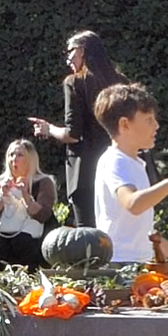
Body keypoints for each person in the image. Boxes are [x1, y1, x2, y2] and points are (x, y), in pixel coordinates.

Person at [93, 82, 168, 263]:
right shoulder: (115, 161)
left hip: (137, 263)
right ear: (124, 124)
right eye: (149, 119)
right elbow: (133, 204)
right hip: (120, 265)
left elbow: (144, 234)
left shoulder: (134, 163)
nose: (156, 125)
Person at [29, 31, 128, 228]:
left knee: (89, 233)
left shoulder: (75, 82)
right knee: (119, 229)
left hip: (86, 171)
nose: (68, 59)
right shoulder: (122, 83)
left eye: (70, 52)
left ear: (82, 51)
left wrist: (48, 129)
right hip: (120, 167)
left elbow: (73, 134)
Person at [0, 139, 59, 271]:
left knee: (22, 242)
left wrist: (25, 195)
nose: (14, 159)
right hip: (3, 237)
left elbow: (43, 215)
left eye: (20, 155)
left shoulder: (44, 182)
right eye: (11, 154)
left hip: (30, 241)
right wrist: (2, 195)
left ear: (31, 159)